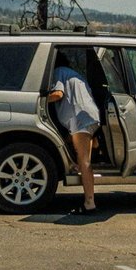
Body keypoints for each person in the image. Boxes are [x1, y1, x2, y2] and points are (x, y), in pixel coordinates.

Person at [47, 48, 102, 215]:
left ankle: (89, 203)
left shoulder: (57, 72)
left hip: (79, 120)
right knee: (81, 155)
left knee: (84, 163)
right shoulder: (75, 75)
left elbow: (57, 94)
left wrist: (40, 99)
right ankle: (93, 147)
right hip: (91, 117)